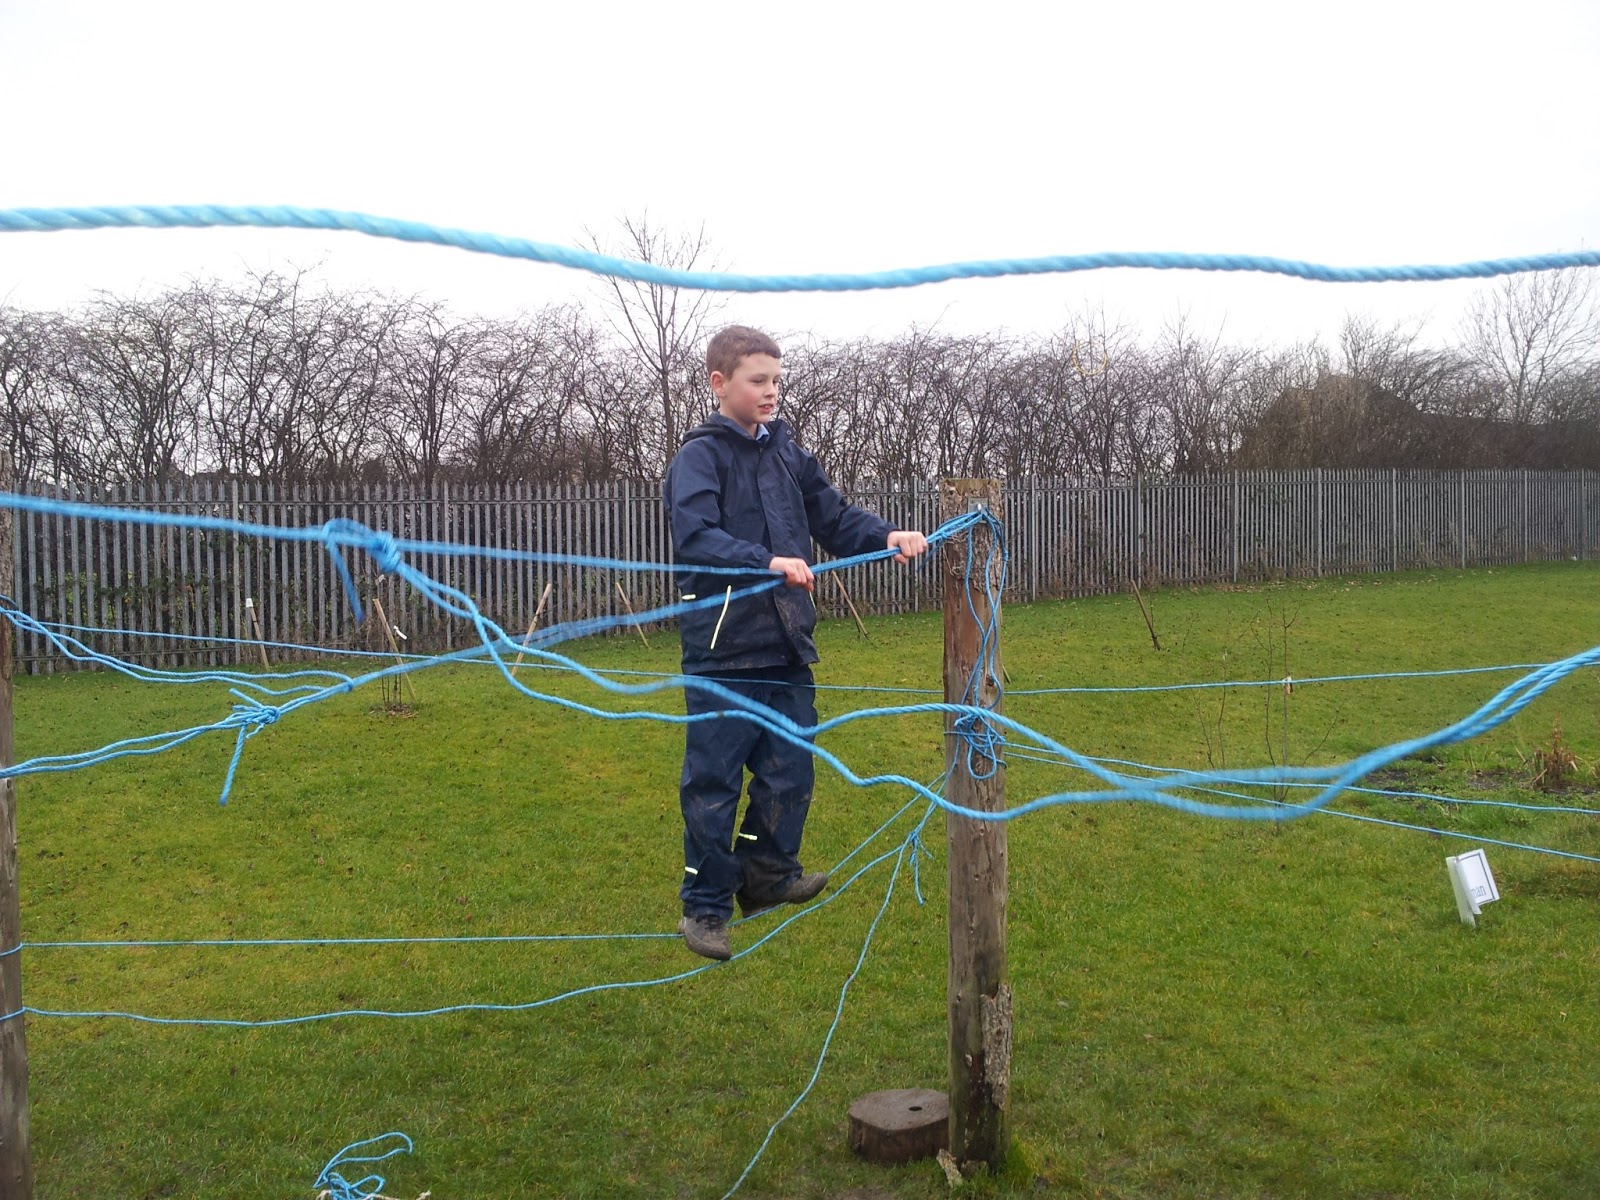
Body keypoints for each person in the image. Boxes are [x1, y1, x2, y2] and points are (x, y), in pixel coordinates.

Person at [663, 325, 928, 960]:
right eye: (758, 380)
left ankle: (766, 875)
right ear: (719, 383)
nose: (771, 392)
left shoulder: (787, 453)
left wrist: (886, 536)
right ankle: (704, 909)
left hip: (786, 643)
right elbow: (694, 538)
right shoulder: (699, 458)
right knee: (713, 784)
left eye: (777, 380)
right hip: (724, 650)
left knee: (791, 772)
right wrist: (767, 561)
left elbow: (832, 516)